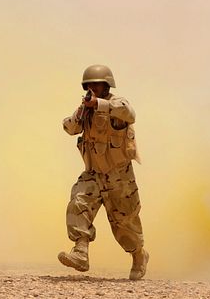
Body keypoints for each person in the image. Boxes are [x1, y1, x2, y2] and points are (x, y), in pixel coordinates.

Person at [58, 65, 148, 280]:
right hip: (93, 174)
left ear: (106, 85)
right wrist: (81, 111)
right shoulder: (86, 110)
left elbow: (130, 114)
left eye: (96, 84)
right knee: (78, 203)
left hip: (119, 177)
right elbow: (70, 129)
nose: (92, 88)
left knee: (125, 225)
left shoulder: (117, 104)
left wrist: (98, 104)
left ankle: (138, 256)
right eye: (88, 85)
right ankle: (81, 251)